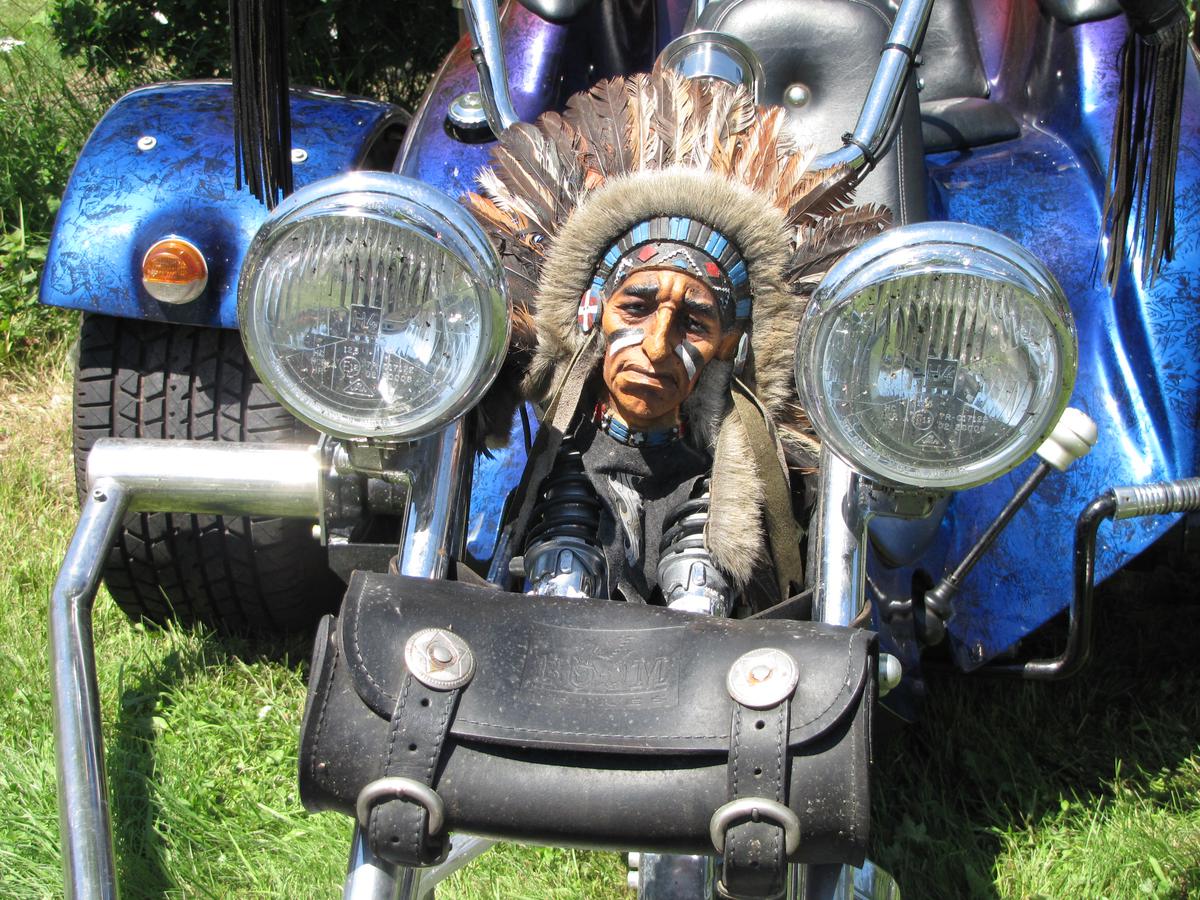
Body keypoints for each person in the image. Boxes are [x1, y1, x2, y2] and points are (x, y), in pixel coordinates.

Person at [465, 68, 889, 611]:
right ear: (593, 312)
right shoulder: (567, 405)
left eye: (693, 322)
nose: (657, 347)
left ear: (729, 343)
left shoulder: (737, 438)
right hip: (573, 506)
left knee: (701, 590)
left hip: (702, 530)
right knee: (561, 574)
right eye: (636, 308)